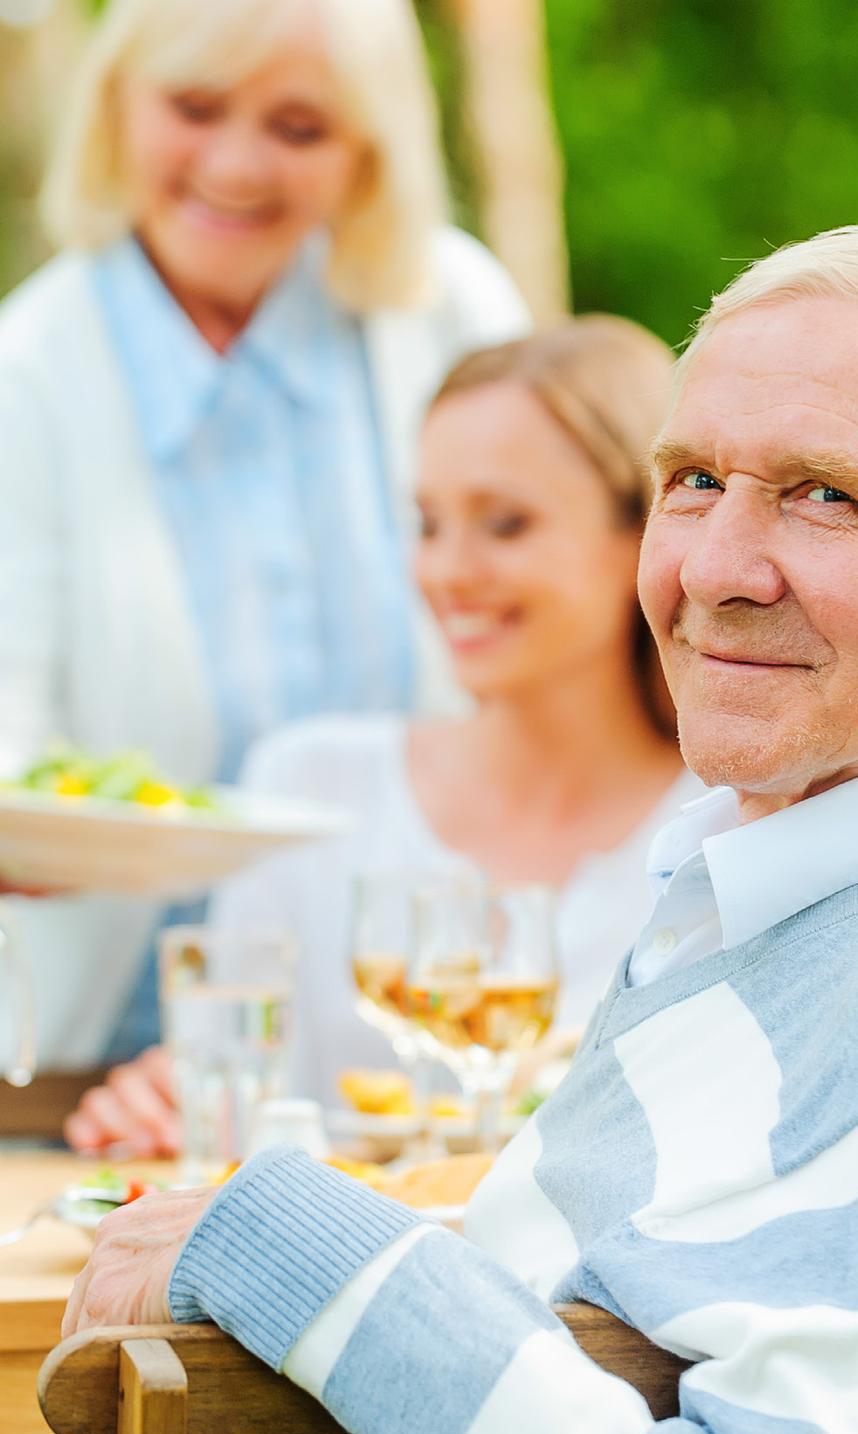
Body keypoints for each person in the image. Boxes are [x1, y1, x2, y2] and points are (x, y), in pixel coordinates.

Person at [65, 225, 858, 1434]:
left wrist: (304, 1249)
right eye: (693, 480)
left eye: (825, 495)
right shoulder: (816, 884)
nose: (713, 565)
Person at [0, 0, 528, 1075]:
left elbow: (562, 637)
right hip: (107, 1064)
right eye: (193, 109)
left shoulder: (449, 309)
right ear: (116, 112)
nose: (236, 166)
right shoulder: (30, 373)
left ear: (368, 151)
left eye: (299, 128)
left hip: (422, 1045)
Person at [63, 316, 705, 1152]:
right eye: (428, 524)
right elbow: (229, 1125)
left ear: (648, 533)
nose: (446, 571)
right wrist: (162, 1114)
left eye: (505, 524)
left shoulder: (722, 828)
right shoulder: (309, 790)